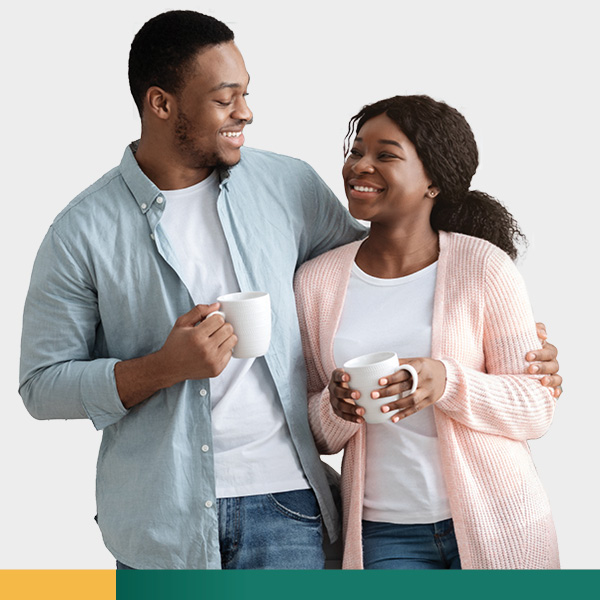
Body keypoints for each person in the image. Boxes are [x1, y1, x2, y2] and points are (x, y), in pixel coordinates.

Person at [18, 11, 560, 569]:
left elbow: (390, 261)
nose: (245, 112)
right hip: (160, 518)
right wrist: (164, 366)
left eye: (246, 93)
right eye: (225, 98)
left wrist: (502, 327)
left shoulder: (286, 186)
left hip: (289, 505)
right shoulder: (81, 230)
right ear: (161, 104)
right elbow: (41, 385)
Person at [294, 95, 561, 570]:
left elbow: (536, 408)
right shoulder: (316, 282)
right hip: (383, 534)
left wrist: (447, 382)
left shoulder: (483, 267)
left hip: (499, 521)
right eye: (357, 152)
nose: (360, 166)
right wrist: (335, 409)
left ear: (433, 181)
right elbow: (312, 430)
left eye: (385, 154)